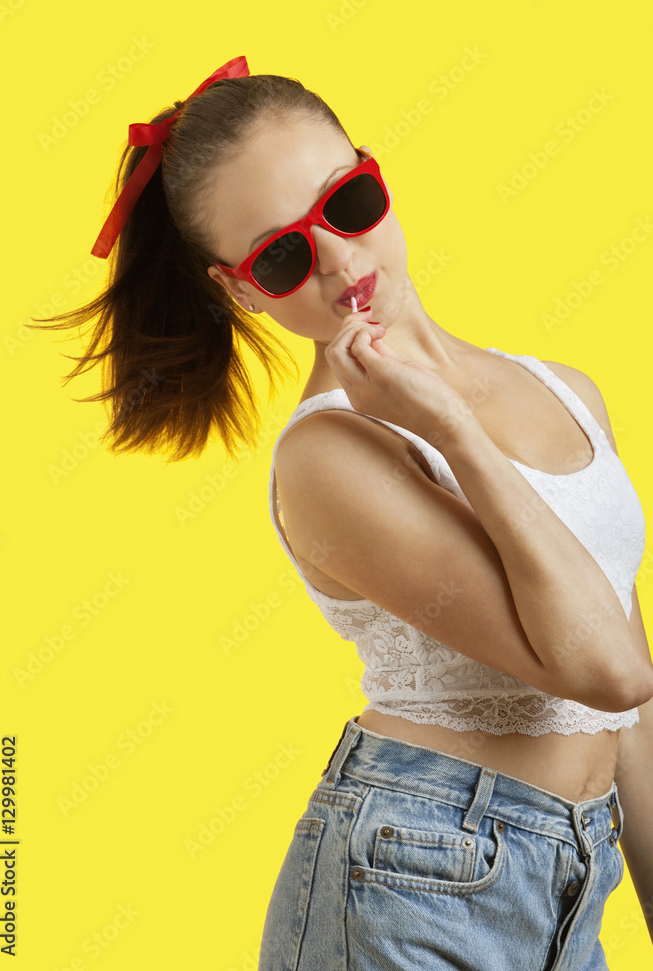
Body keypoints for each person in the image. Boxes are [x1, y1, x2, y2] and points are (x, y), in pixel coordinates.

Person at [33, 55, 653, 969]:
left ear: (376, 173)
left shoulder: (563, 391)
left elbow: (631, 719)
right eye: (281, 254)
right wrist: (450, 429)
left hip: (571, 880)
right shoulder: (328, 458)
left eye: (347, 203)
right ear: (240, 289)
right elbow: (607, 672)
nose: (338, 258)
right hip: (412, 886)